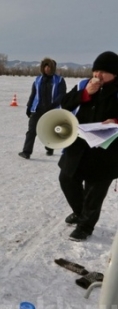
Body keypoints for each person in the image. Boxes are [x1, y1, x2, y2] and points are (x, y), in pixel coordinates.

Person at [58, 51, 118, 241]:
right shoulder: (84, 84)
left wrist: (115, 120)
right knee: (66, 178)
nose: (98, 76)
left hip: (106, 149)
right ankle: (80, 212)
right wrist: (84, 94)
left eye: (103, 72)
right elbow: (65, 104)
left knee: (95, 190)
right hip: (78, 145)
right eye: (96, 71)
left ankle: (85, 226)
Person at [18, 58, 67, 159]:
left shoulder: (59, 80)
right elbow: (33, 94)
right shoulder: (38, 79)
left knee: (50, 130)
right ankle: (26, 151)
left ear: (53, 68)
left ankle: (49, 148)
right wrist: (29, 106)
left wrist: (53, 105)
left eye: (49, 66)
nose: (47, 68)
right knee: (31, 131)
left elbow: (62, 95)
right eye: (45, 66)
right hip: (37, 109)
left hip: (52, 110)